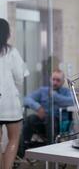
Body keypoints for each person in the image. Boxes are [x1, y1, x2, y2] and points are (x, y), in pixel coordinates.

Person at [0, 18, 29, 169]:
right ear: (6, 34)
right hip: (9, 104)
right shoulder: (11, 52)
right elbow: (20, 77)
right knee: (13, 139)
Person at [23, 69, 73, 145]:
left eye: (58, 80)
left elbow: (72, 101)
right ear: (50, 79)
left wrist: (55, 96)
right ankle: (23, 149)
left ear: (63, 82)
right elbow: (26, 99)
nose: (55, 82)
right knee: (30, 119)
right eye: (53, 79)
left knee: (50, 118)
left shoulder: (66, 91)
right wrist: (38, 107)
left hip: (58, 122)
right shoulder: (43, 90)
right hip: (43, 120)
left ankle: (51, 147)